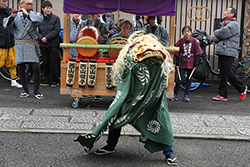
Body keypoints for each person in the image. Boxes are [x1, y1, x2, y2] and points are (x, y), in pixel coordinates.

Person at [75, 32, 178, 166]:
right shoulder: (153, 54)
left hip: (147, 95)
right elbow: (166, 72)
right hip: (147, 95)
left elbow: (123, 80)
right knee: (156, 118)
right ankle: (168, 153)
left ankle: (111, 146)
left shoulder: (128, 55)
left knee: (120, 114)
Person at [3, 0, 45, 99]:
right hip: (20, 45)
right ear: (21, 4)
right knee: (21, 68)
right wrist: (12, 17)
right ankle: (25, 90)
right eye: (27, 4)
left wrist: (27, 14)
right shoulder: (15, 15)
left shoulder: (36, 15)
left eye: (31, 4)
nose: (29, 6)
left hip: (31, 44)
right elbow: (6, 26)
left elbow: (39, 21)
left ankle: (36, 91)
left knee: (35, 67)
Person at [212, 6, 247, 101]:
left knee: (228, 72)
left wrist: (216, 32)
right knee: (223, 74)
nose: (224, 12)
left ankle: (242, 88)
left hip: (228, 51)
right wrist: (218, 34)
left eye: (227, 11)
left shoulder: (233, 24)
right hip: (223, 51)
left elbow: (221, 34)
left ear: (232, 14)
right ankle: (223, 94)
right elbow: (217, 38)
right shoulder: (224, 24)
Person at [170, 26, 203, 102]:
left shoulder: (194, 41)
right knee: (179, 79)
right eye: (185, 31)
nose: (187, 33)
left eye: (188, 31)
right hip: (183, 63)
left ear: (191, 33)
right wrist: (177, 63)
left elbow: (197, 53)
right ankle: (175, 94)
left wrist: (196, 64)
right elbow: (176, 52)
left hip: (191, 63)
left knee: (189, 79)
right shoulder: (180, 41)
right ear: (182, 33)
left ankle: (186, 95)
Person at [38, 0, 61, 87]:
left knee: (54, 62)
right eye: (47, 8)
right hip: (43, 44)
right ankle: (46, 79)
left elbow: (57, 30)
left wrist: (47, 38)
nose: (48, 9)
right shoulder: (40, 19)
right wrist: (41, 38)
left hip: (53, 44)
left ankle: (55, 80)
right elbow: (37, 30)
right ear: (43, 9)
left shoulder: (56, 18)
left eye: (50, 8)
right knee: (45, 62)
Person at [0, 0, 22, 88]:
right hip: (1, 42)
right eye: (3, 1)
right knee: (1, 62)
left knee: (13, 62)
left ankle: (14, 80)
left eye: (6, 1)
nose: (5, 3)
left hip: (11, 40)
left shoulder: (10, 11)